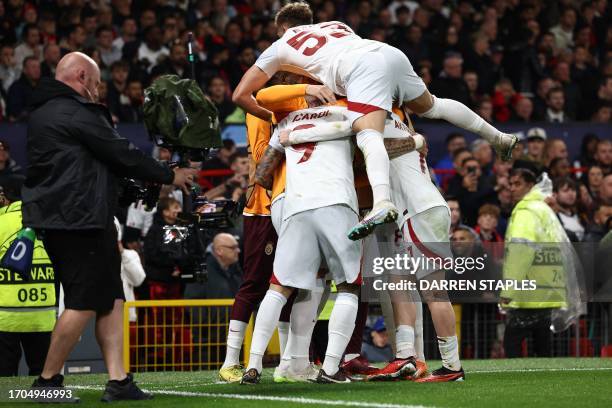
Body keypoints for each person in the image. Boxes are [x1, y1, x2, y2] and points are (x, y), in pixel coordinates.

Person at [232, 2, 518, 241]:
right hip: (388, 53)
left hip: (360, 70)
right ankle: (498, 137)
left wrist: (273, 119)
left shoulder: (279, 46)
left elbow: (241, 94)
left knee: (368, 135)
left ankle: (382, 202)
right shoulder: (336, 25)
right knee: (432, 106)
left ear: (281, 29)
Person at [21, 52, 196, 401]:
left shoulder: (44, 111)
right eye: (97, 84)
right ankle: (46, 382)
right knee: (84, 300)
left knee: (111, 298)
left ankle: (118, 380)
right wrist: (167, 174)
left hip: (70, 216)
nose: (98, 92)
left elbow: (93, 160)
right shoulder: (74, 110)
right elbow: (120, 150)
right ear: (82, 76)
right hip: (79, 218)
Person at [502, 169, 568, 358]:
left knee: (511, 345)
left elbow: (520, 252)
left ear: (530, 186)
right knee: (543, 349)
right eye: (511, 184)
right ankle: (548, 387)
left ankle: (515, 387)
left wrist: (508, 290)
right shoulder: (543, 209)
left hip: (528, 293)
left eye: (518, 184)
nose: (512, 189)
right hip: (548, 290)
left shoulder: (526, 212)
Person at [0, 190, 55, 377]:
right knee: (43, 375)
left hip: (5, 317)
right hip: (42, 314)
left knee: (4, 379)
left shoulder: (1, 222)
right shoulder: (49, 221)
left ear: (4, 197)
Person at [184, 233, 242, 299]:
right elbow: (192, 302)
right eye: (233, 248)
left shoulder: (235, 271)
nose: (238, 250)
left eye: (237, 247)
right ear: (219, 251)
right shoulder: (202, 272)